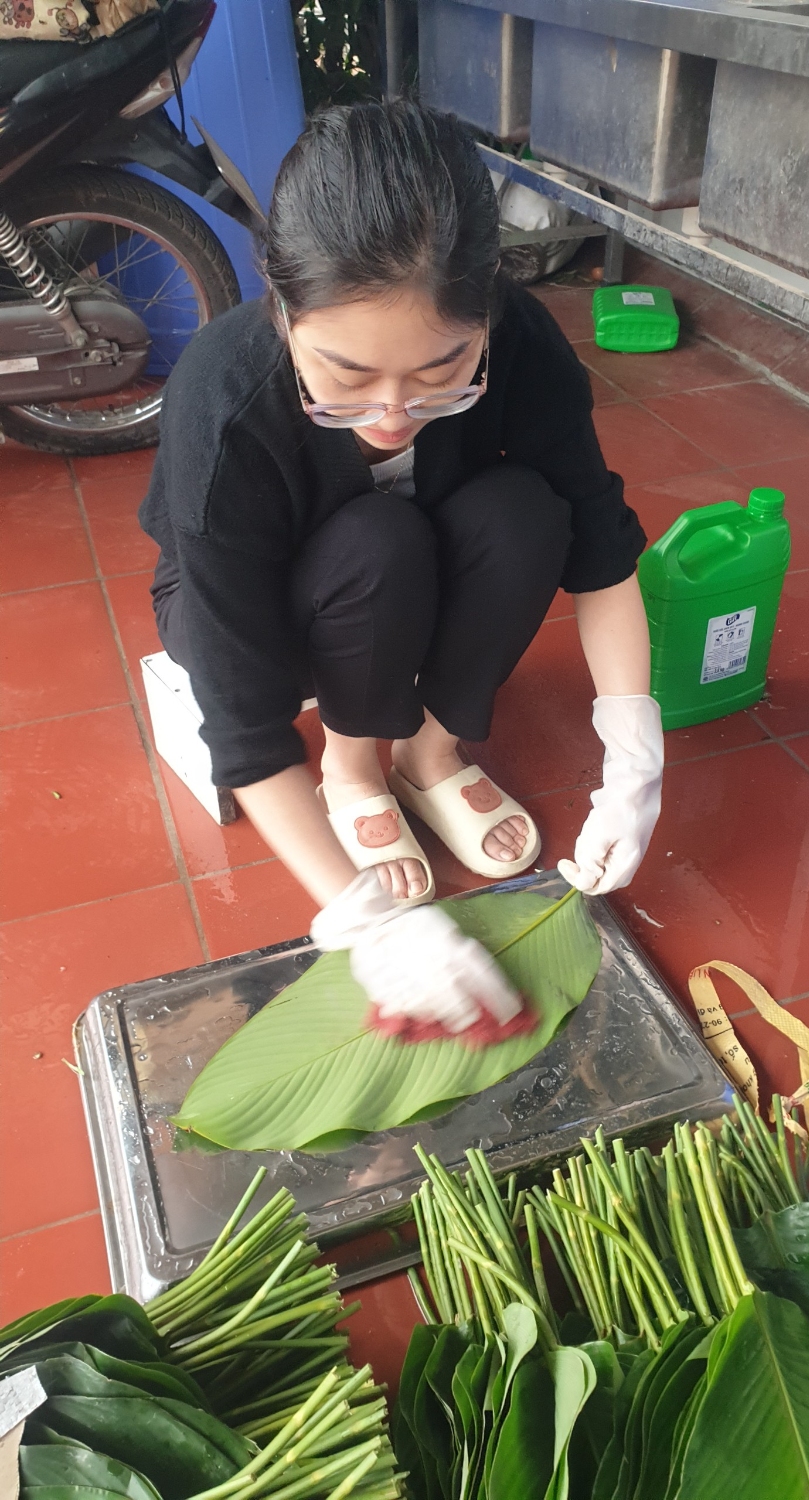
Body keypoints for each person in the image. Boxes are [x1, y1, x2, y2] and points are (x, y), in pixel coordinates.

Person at [139, 101, 663, 1043]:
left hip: (422, 548)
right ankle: (353, 770)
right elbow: (244, 722)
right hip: (269, 603)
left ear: (487, 312)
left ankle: (429, 753)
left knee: (527, 514)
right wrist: (363, 917)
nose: (391, 415)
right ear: (283, 310)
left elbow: (600, 548)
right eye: (345, 376)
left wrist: (635, 757)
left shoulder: (522, 345)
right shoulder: (223, 399)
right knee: (377, 544)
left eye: (441, 371)